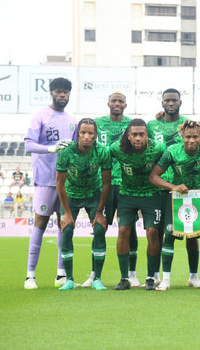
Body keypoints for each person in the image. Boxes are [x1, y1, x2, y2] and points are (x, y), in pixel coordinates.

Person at [150, 120, 200, 291]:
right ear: (181, 137)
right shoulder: (172, 151)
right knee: (169, 236)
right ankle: (166, 280)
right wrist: (173, 187)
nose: (191, 140)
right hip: (178, 198)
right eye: (188, 137)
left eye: (195, 137)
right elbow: (154, 176)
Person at [80, 92, 143, 288]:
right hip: (103, 183)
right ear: (108, 103)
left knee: (129, 230)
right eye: (114, 101)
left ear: (125, 104)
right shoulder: (96, 123)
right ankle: (94, 275)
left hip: (126, 184)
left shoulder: (133, 124)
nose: (117, 104)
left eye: (120, 101)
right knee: (99, 229)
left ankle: (131, 275)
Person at [23, 77, 76, 290]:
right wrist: (50, 148)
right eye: (59, 91)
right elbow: (28, 145)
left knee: (65, 224)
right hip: (45, 180)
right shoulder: (40, 115)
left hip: (65, 181)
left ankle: (61, 274)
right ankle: (30, 276)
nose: (62, 95)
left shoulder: (72, 120)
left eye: (66, 92)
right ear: (52, 92)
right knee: (40, 225)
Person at [148, 88, 200, 288]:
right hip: (161, 187)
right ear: (162, 103)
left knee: (192, 232)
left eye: (174, 100)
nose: (171, 103)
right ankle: (155, 275)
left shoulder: (188, 124)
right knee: (159, 231)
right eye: (167, 100)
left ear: (180, 102)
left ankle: (193, 276)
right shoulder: (153, 125)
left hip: (185, 187)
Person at [108, 118, 164, 290]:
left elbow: (170, 164)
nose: (138, 138)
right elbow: (103, 163)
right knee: (123, 230)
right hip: (127, 194)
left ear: (147, 135)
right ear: (128, 136)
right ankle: (125, 278)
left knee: (152, 232)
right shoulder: (116, 148)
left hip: (151, 194)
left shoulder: (158, 149)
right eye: (135, 135)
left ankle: (150, 278)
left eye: (142, 135)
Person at [56, 118, 111, 291]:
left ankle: (97, 278)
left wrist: (100, 211)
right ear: (77, 134)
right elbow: (59, 183)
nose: (86, 136)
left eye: (90, 133)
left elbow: (107, 183)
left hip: (94, 194)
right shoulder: (65, 153)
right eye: (83, 133)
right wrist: (66, 212)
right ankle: (69, 280)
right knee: (67, 230)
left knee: (100, 229)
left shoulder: (102, 152)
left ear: (96, 135)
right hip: (71, 195)